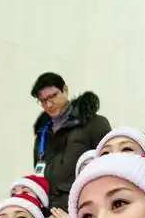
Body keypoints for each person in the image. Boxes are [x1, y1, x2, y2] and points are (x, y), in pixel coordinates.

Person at [30, 72, 111, 209]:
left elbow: (109, 165)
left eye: (53, 96)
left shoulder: (94, 123)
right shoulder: (41, 136)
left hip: (85, 207)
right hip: (50, 213)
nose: (49, 104)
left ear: (65, 90)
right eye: (43, 100)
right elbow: (39, 175)